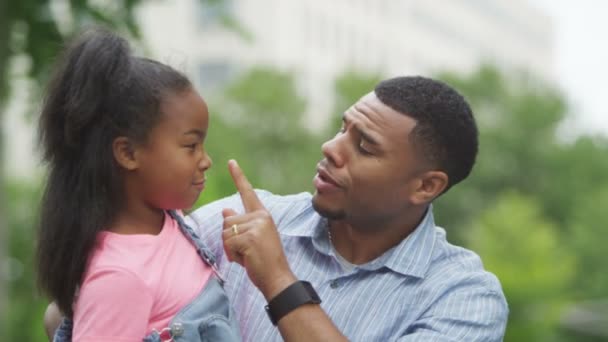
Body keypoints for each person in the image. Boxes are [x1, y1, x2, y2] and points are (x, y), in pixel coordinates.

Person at [46, 76, 509, 341]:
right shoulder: (241, 221)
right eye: (342, 129)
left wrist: (277, 280)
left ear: (425, 186)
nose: (331, 147)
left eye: (364, 146)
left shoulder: (464, 297)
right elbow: (77, 308)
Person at [37, 29, 240, 341]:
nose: (205, 160)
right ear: (128, 153)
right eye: (190, 146)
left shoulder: (171, 224)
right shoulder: (120, 277)